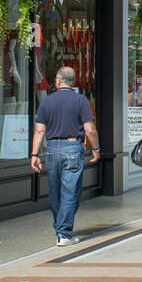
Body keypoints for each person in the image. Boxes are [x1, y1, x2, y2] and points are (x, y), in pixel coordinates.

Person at [30, 66, 100, 246]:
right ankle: (64, 234)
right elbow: (90, 129)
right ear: (73, 81)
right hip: (72, 147)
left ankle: (60, 229)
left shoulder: (47, 101)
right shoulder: (81, 100)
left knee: (55, 191)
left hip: (52, 147)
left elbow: (39, 131)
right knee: (70, 191)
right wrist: (96, 148)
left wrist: (34, 154)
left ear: (58, 80)